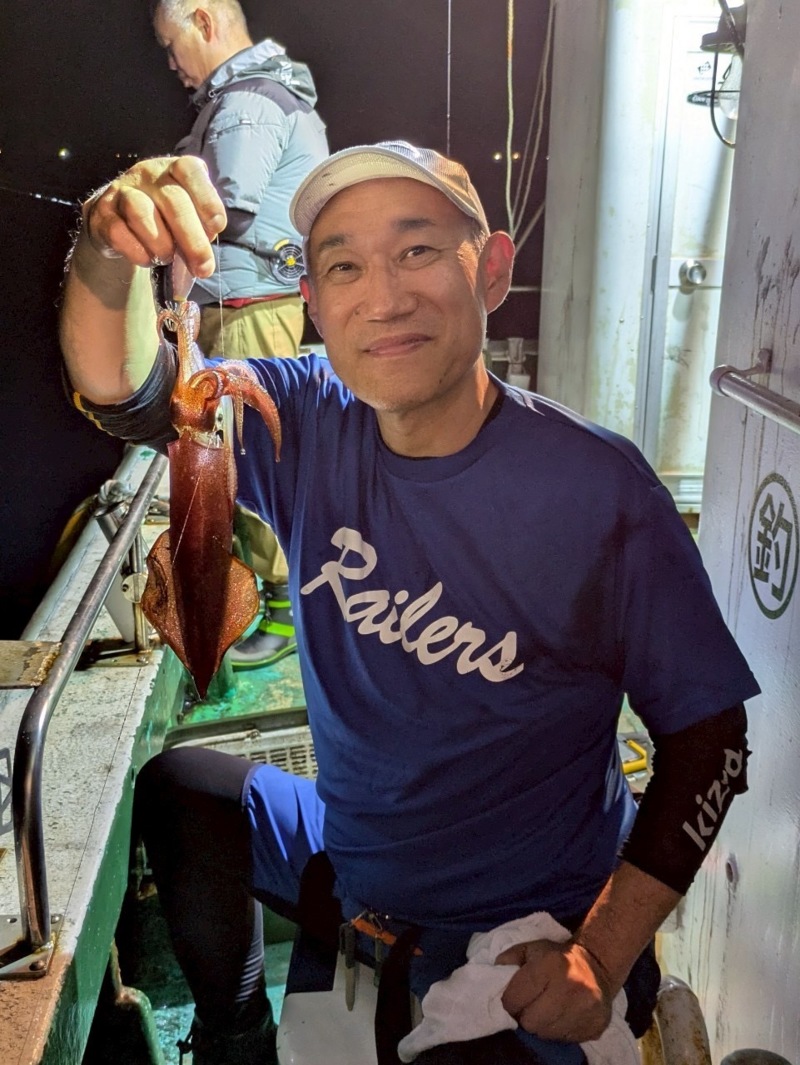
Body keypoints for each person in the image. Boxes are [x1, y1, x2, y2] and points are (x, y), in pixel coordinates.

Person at [60, 142, 760, 1065]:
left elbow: (710, 738)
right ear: (315, 305)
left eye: (418, 250)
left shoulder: (599, 490)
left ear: (493, 270)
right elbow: (135, 394)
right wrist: (108, 250)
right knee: (182, 791)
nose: (382, 298)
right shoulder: (305, 419)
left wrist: (601, 951)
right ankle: (237, 1035)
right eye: (345, 265)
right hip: (357, 867)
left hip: (529, 923)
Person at [151, 0, 330, 667]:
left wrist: (153, 226)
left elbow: (223, 211)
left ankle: (283, 614)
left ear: (203, 21)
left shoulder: (247, 103)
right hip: (241, 305)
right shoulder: (249, 97)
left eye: (170, 44)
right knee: (234, 451)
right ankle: (260, 597)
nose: (172, 62)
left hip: (248, 312)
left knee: (252, 456)